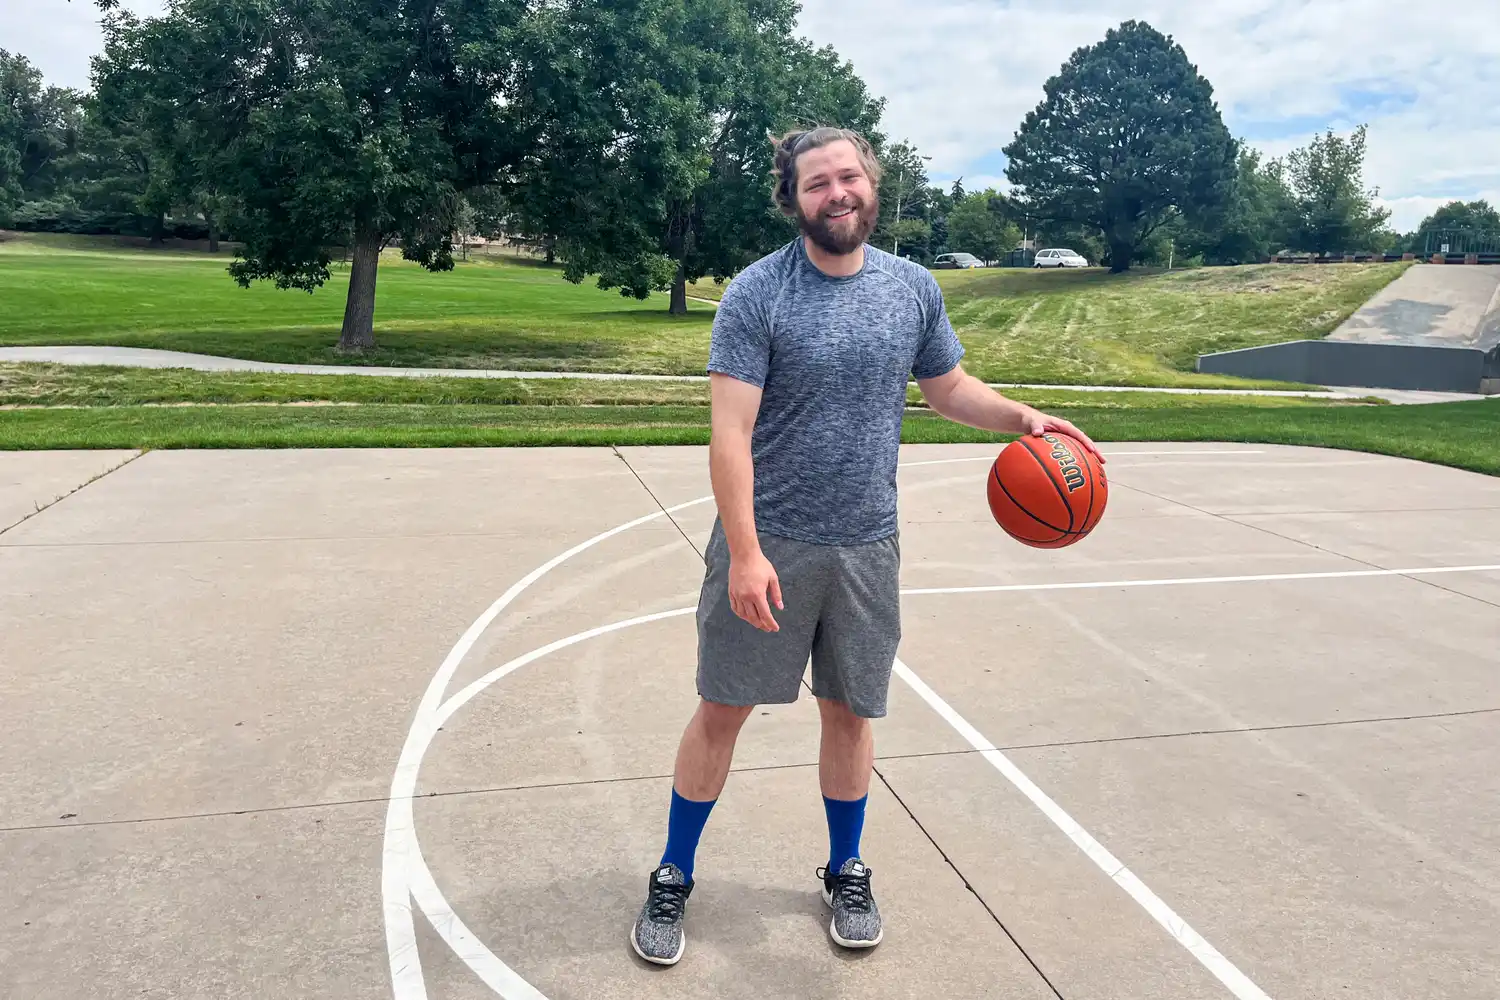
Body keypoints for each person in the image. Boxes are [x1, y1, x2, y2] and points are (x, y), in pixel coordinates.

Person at [629, 125, 1103, 966]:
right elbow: (729, 433)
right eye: (817, 183)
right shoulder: (757, 293)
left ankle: (845, 869)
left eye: (848, 177)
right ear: (793, 199)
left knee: (850, 714)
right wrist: (744, 552)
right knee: (723, 709)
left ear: (871, 184)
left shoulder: (912, 288)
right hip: (770, 542)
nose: (837, 193)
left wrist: (1024, 418)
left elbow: (947, 388)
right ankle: (674, 872)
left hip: (866, 545)